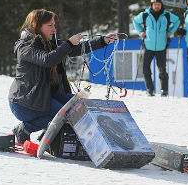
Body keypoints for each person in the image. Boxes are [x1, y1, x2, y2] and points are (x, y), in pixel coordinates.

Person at [8, 9, 116, 143]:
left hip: (44, 96)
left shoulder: (50, 42)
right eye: (50, 26)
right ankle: (24, 129)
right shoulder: (25, 47)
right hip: (24, 102)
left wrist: (102, 41)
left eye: (54, 25)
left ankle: (50, 130)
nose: (54, 29)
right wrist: (69, 43)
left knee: (78, 106)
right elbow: (47, 60)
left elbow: (76, 48)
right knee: (62, 114)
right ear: (37, 26)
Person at [133, 0, 180, 97]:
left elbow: (177, 21)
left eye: (158, 4)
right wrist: (140, 32)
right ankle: (150, 89)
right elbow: (135, 21)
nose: (157, 6)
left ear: (161, 5)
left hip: (161, 46)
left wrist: (170, 31)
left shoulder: (167, 15)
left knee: (162, 69)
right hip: (148, 45)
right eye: (155, 4)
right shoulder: (145, 15)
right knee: (145, 68)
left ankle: (165, 90)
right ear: (152, 5)